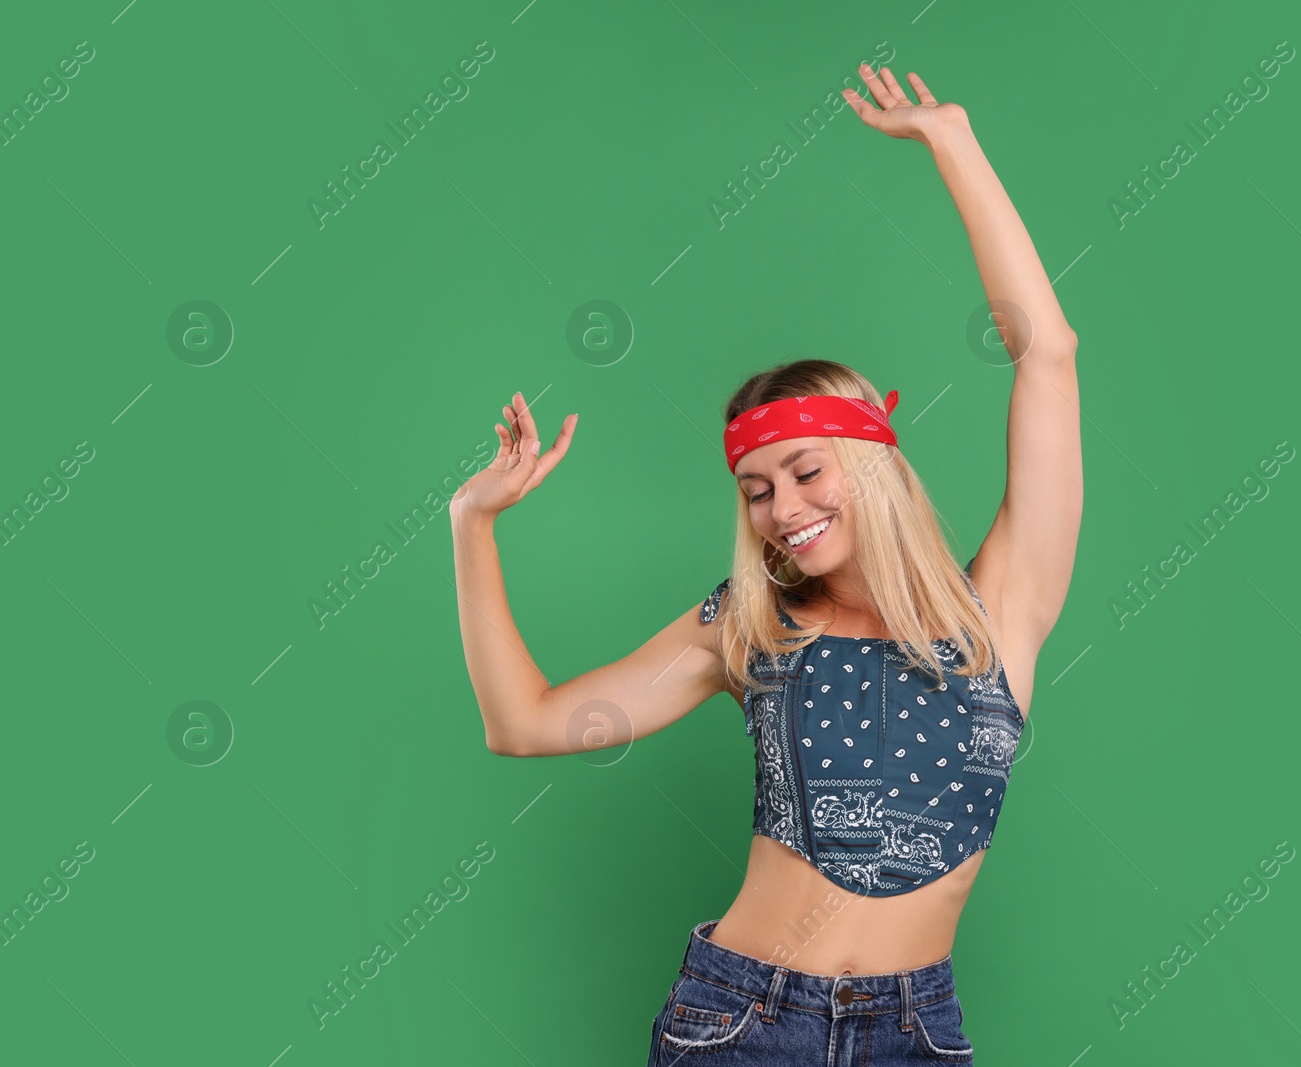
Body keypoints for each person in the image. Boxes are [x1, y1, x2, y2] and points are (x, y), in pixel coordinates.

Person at [449, 62, 1083, 1066]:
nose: (783, 508)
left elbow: (1046, 351)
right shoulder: (748, 628)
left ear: (872, 460)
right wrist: (471, 523)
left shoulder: (1001, 607)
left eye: (804, 470)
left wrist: (952, 142)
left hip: (915, 1028)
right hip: (745, 1021)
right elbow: (521, 722)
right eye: (755, 489)